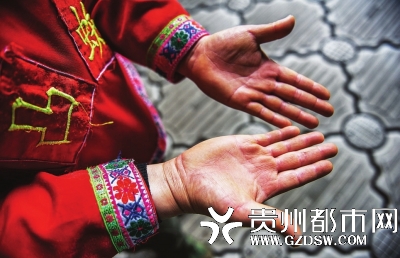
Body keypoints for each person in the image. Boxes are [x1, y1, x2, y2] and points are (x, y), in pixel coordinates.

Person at [0, 0, 337, 257]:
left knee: (165, 224)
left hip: (133, 136)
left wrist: (190, 49)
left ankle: (170, 238)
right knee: (133, 230)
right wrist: (167, 187)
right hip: (66, 215)